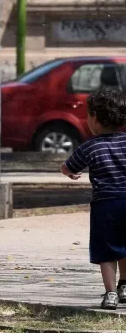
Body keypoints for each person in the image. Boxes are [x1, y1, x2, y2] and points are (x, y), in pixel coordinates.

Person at [61, 86, 126, 310]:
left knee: (106, 251)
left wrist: (70, 173)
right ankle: (125, 286)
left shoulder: (90, 147)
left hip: (104, 206)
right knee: (125, 246)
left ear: (95, 119)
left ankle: (110, 294)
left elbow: (67, 166)